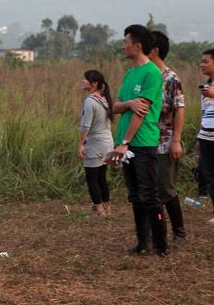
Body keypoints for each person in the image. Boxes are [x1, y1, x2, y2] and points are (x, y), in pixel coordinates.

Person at [107, 24, 167, 256]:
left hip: (141, 143)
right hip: (127, 143)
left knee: (150, 195)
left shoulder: (152, 73)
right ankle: (143, 242)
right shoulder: (130, 73)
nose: (123, 46)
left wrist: (125, 142)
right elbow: (117, 106)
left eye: (126, 42)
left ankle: (161, 245)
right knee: (135, 195)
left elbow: (141, 113)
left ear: (137, 45)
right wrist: (128, 104)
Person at [147, 31, 186, 240]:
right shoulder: (146, 76)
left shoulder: (170, 78)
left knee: (166, 188)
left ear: (155, 51)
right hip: (146, 141)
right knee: (151, 190)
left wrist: (176, 141)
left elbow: (179, 108)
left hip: (164, 141)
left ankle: (179, 231)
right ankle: (156, 233)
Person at [77, 70, 115, 216]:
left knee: (91, 178)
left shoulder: (90, 101)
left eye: (85, 79)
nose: (83, 81)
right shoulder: (105, 99)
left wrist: (81, 144)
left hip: (94, 144)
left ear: (94, 84)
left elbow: (85, 126)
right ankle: (107, 208)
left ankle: (99, 210)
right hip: (107, 143)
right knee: (101, 177)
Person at [196, 48, 214, 224]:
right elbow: (204, 113)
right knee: (209, 175)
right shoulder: (206, 86)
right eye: (201, 61)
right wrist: (199, 136)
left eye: (206, 61)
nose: (202, 64)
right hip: (206, 136)